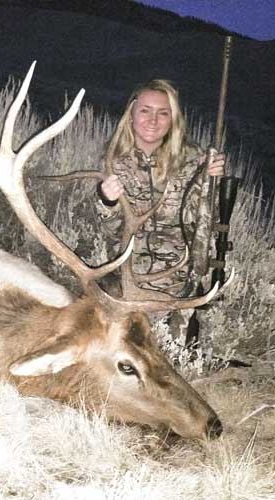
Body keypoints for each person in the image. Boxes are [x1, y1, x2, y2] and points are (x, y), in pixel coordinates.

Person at [96, 79, 225, 343]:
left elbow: (205, 222)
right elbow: (109, 230)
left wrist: (212, 182)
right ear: (131, 114)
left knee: (178, 345)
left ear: (173, 120)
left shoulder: (194, 160)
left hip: (179, 275)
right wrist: (107, 201)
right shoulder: (113, 162)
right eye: (145, 111)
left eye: (163, 113)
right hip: (129, 273)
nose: (153, 120)